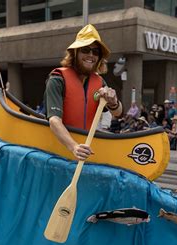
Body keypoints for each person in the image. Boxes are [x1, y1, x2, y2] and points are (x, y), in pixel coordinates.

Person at [44, 24, 122, 161]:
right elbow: (54, 120)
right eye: (85, 50)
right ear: (75, 53)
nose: (91, 55)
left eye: (96, 52)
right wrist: (74, 147)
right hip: (61, 151)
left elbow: (118, 113)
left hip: (85, 150)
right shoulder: (57, 79)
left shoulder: (99, 82)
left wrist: (114, 102)